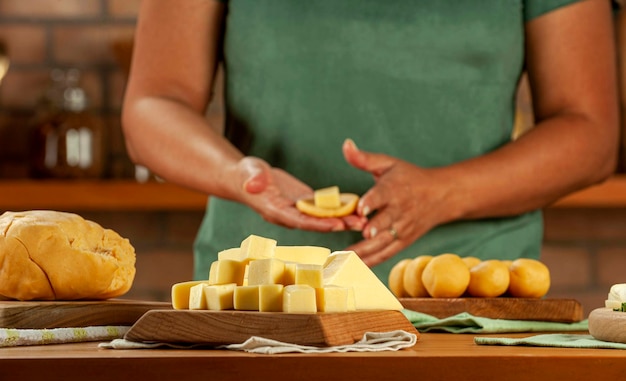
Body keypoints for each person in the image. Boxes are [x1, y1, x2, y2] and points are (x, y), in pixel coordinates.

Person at [122, 0, 619, 285]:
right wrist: (237, 175)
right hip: (260, 294)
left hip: (470, 300)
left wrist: (443, 193)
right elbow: (152, 104)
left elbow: (590, 131)